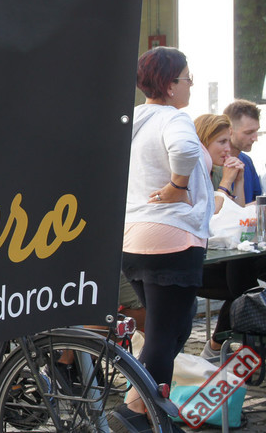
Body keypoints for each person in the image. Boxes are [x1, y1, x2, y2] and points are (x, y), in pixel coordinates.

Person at [110, 47, 214, 433]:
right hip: (171, 237)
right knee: (163, 332)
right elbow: (184, 150)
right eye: (187, 78)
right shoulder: (174, 118)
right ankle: (141, 415)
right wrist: (177, 186)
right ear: (170, 85)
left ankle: (137, 404)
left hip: (134, 237)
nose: (191, 84)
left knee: (175, 324)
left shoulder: (135, 119)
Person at [193, 114, 258, 360]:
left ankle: (221, 347)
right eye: (221, 142)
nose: (228, 149)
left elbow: (235, 217)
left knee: (246, 279)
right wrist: (227, 182)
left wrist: (238, 182)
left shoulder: (220, 170)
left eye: (228, 142)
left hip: (221, 257)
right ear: (203, 142)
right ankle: (220, 346)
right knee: (245, 286)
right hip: (196, 261)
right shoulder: (193, 171)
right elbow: (208, 216)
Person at [222, 99, 261, 203]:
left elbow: (257, 200)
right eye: (249, 132)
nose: (255, 138)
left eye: (256, 131)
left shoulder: (247, 161)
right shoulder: (214, 164)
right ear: (229, 131)